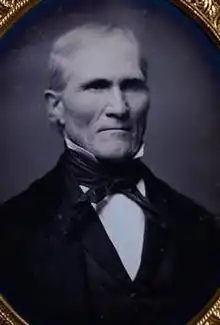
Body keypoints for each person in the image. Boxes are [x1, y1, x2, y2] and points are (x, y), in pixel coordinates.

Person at [0, 22, 219, 325]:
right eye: (96, 86)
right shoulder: (11, 231)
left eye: (131, 85)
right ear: (55, 108)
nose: (119, 107)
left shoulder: (202, 228)